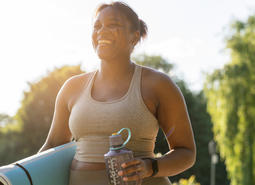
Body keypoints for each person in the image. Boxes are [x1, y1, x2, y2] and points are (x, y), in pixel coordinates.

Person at [38, 1, 196, 185]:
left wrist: (150, 167)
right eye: (97, 26)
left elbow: (186, 152)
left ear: (134, 37)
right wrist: (16, 176)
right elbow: (52, 146)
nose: (102, 31)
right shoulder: (71, 87)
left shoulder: (158, 85)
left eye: (112, 25)